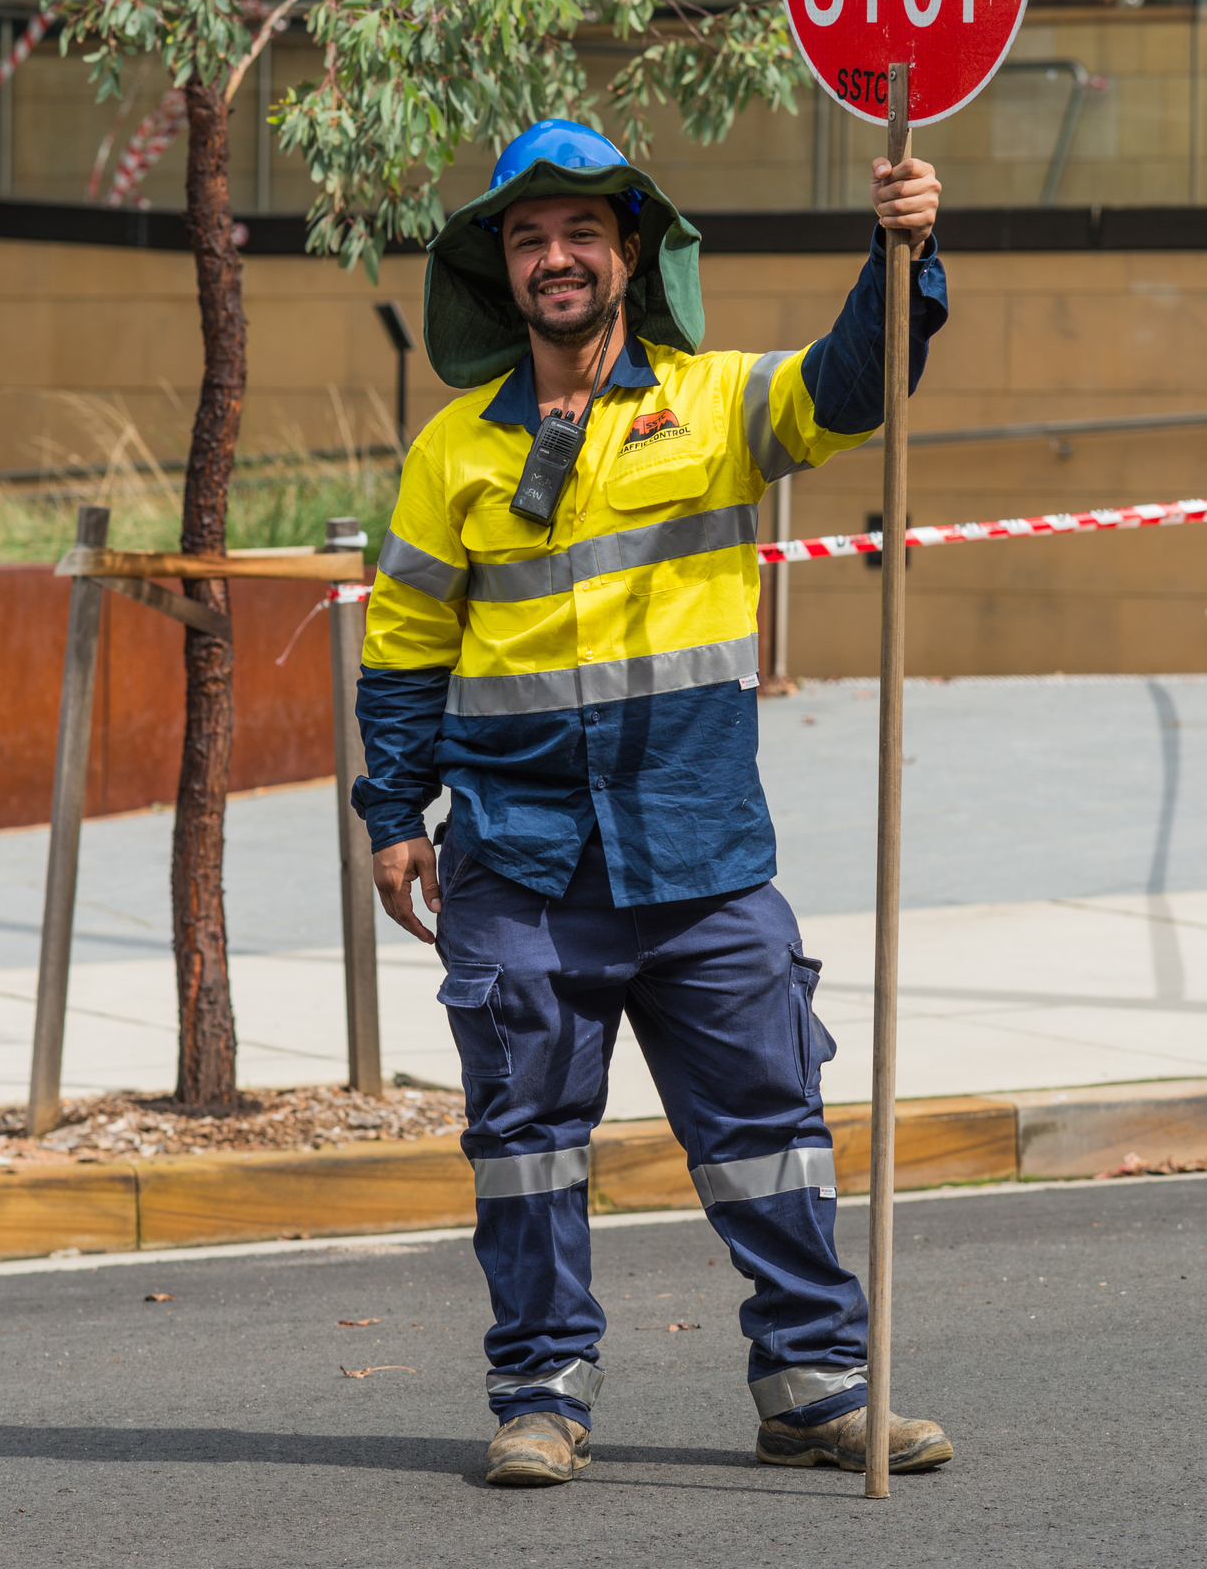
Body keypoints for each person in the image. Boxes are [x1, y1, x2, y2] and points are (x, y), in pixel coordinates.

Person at [352, 119, 952, 1488]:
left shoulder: (723, 399)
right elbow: (402, 645)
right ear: (499, 270)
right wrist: (394, 811)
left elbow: (855, 385)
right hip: (517, 861)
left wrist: (898, 247)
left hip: (699, 855)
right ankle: (542, 1394)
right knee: (524, 1153)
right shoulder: (453, 451)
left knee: (768, 1137)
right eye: (526, 237)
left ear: (629, 251)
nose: (554, 257)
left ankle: (812, 1389)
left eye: (579, 232)